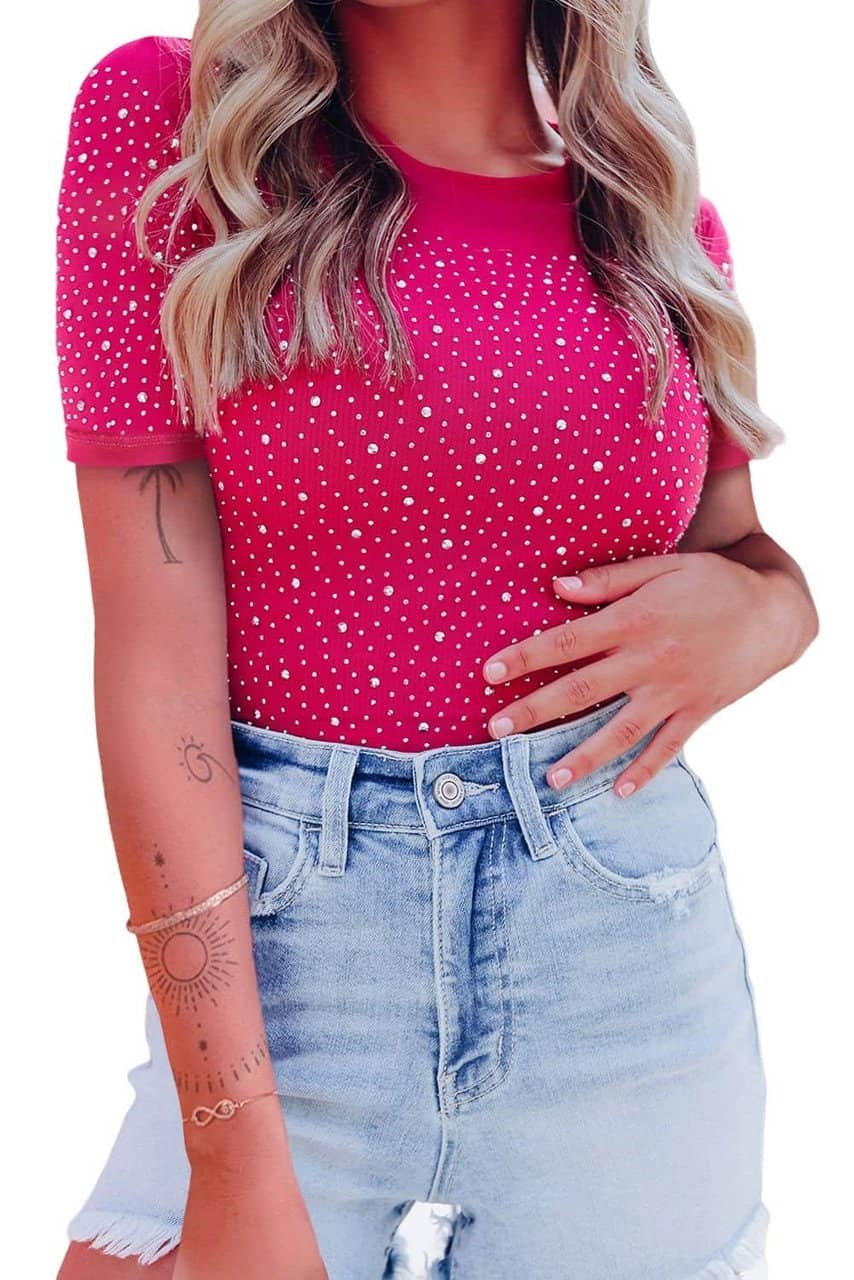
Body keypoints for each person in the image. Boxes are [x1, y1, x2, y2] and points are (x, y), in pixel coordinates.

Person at [54, 3, 817, 1278]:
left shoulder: (651, 219)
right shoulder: (178, 133)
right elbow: (152, 657)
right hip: (287, 976)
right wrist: (230, 1151)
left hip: (624, 969)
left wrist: (776, 612)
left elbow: (742, 558)